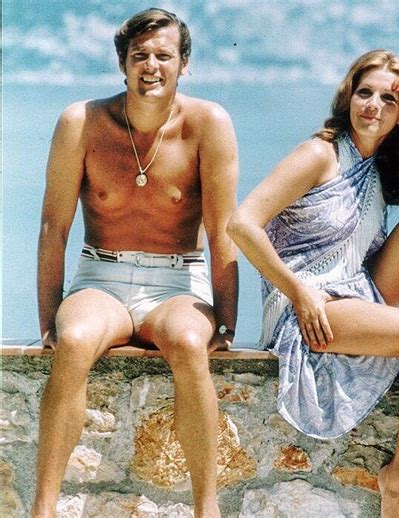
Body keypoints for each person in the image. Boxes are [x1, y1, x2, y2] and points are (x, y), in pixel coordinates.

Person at [228, 49, 399, 518]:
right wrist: (299, 291)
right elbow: (242, 224)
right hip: (306, 307)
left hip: (356, 291)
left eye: (388, 99)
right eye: (365, 93)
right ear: (348, 96)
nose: (373, 106)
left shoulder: (379, 167)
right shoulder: (319, 154)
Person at [32, 8, 238, 518]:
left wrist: (227, 322)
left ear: (183, 64)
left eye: (163, 55)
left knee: (191, 344)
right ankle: (43, 508)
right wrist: (48, 319)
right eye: (139, 55)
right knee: (76, 341)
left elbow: (221, 231)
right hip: (100, 275)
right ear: (122, 64)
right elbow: (52, 227)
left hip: (177, 280)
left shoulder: (207, 123)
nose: (151, 66)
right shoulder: (80, 122)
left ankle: (205, 508)